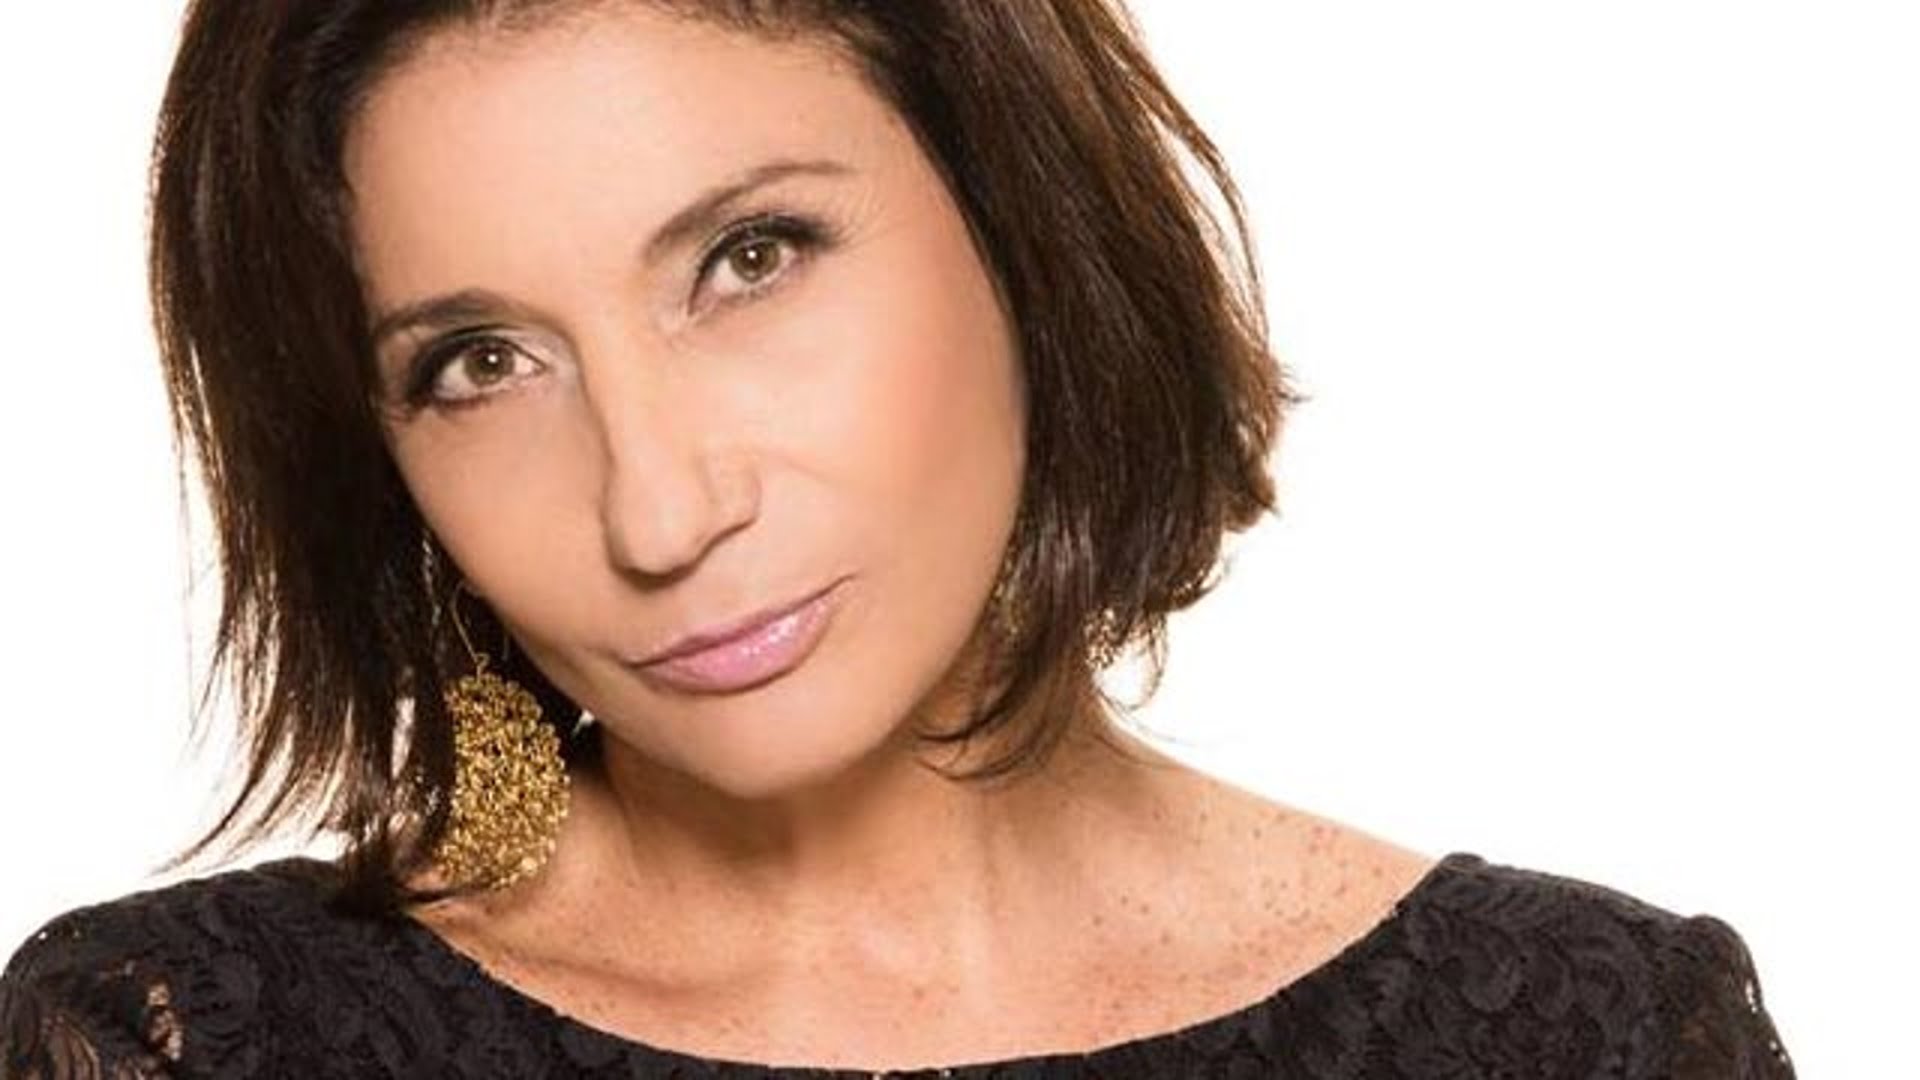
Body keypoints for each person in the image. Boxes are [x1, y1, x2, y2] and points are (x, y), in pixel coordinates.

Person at [0, 1, 1795, 1076]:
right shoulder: (194, 1041)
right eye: (479, 363)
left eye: (749, 259)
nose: (657, 509)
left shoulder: (1583, 1033)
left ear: (1022, 226)